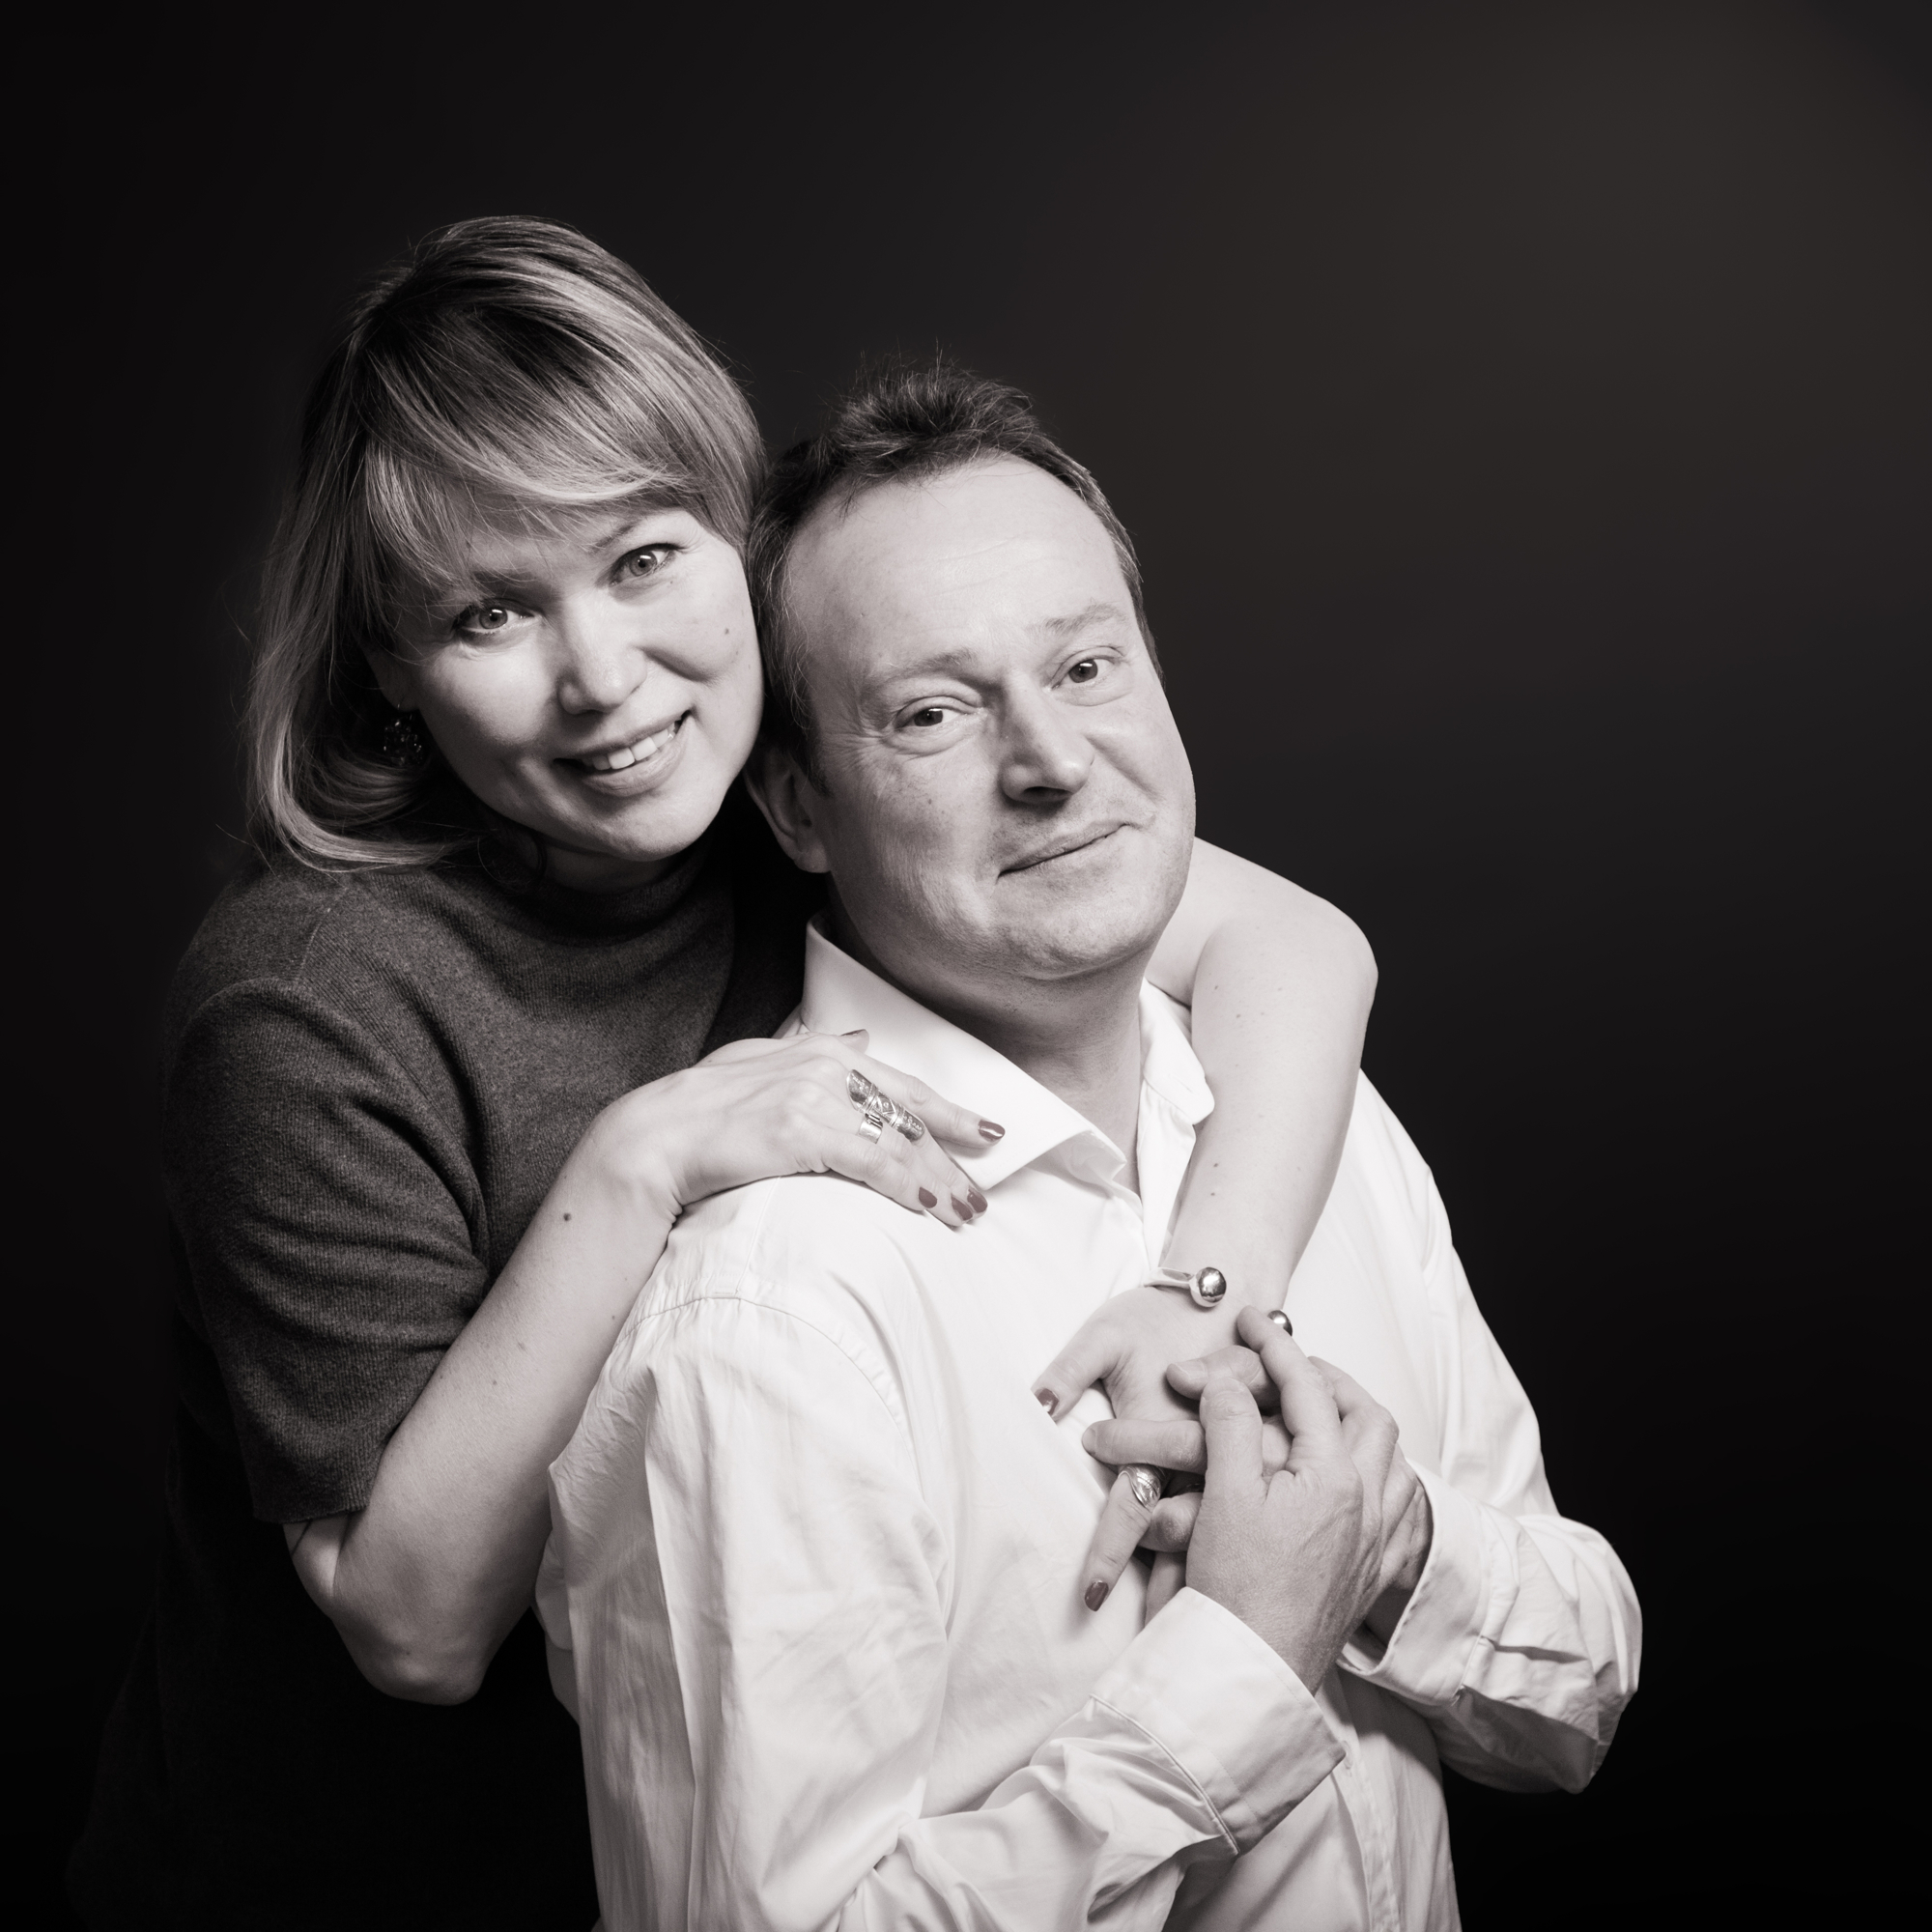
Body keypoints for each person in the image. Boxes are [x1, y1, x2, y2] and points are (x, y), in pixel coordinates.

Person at [70, 220, 1378, 1929]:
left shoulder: (808, 811)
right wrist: (647, 1156)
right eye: (488, 612)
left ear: (732, 542)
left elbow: (1302, 948)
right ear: (389, 668)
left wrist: (1207, 1291)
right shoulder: (304, 1005)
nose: (603, 681)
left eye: (641, 560)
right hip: (359, 1881)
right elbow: (412, 1624)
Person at [539, 363, 1642, 1929]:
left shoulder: (1316, 1126)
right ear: (796, 805)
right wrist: (1244, 1662)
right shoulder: (782, 1310)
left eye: (1089, 665)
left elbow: (1583, 1689)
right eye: (933, 712)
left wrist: (1389, 1553)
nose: (1050, 759)